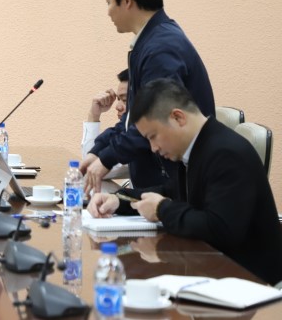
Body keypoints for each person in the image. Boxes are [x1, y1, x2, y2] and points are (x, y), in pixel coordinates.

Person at [88, 79, 282, 285]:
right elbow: (171, 192)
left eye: (153, 136)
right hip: (213, 272)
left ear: (178, 117)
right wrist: (120, 201)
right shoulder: (198, 146)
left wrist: (162, 210)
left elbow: (220, 230)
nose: (153, 148)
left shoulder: (226, 153)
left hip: (250, 283)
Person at [82, 0, 215, 193]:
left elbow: (155, 120)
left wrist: (106, 160)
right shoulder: (151, 41)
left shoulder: (161, 48)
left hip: (175, 189)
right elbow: (131, 121)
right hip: (159, 185)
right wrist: (98, 152)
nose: (108, 12)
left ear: (126, 0)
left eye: (109, 2)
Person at [82, 69, 130, 191]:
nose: (117, 106)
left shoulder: (139, 137)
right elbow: (91, 164)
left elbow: (94, 167)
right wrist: (94, 115)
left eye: (125, 100)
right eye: (118, 99)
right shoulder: (122, 131)